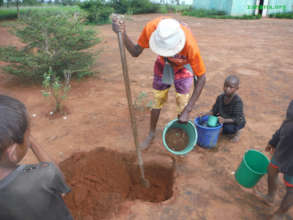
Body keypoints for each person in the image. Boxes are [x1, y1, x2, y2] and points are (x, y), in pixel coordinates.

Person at [112, 16, 206, 150]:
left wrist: (188, 110)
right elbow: (135, 52)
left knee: (182, 102)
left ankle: (181, 132)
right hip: (164, 65)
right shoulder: (151, 28)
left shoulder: (190, 44)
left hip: (184, 67)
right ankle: (151, 133)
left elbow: (202, 78)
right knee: (158, 100)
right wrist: (122, 33)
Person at [0, 94, 74, 220]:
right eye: (28, 135)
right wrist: (32, 143)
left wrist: (25, 137)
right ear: (12, 152)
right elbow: (59, 181)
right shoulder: (41, 178)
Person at [257, 100, 293, 220]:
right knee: (271, 170)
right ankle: (270, 197)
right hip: (285, 146)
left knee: (291, 189)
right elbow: (287, 122)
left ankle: (280, 214)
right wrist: (274, 140)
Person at [200, 75, 245, 142]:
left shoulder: (237, 101)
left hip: (235, 120)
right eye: (226, 86)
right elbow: (214, 111)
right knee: (212, 120)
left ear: (237, 88)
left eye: (231, 87)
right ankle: (224, 127)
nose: (227, 89)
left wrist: (224, 120)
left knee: (229, 129)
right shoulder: (220, 98)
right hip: (223, 117)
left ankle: (238, 132)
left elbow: (237, 118)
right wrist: (205, 114)